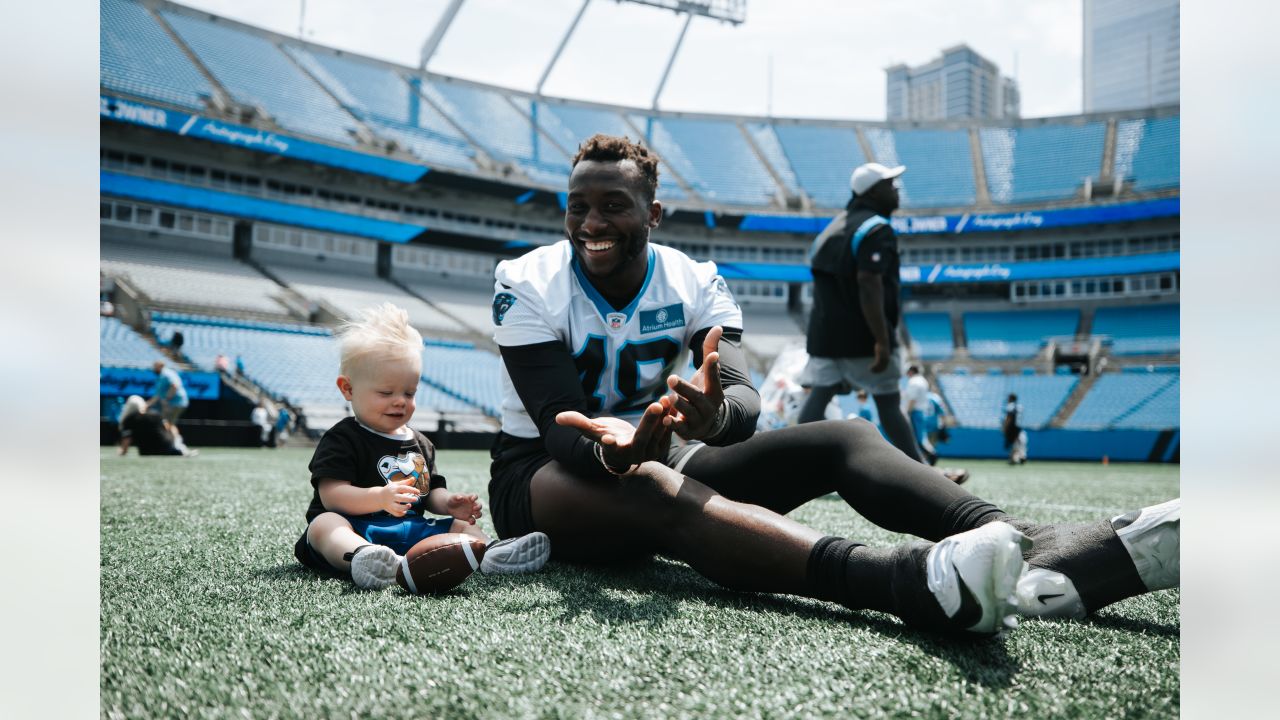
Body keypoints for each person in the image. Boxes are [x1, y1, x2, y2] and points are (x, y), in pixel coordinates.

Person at [487, 134, 1180, 637]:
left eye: (613, 205)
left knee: (844, 436)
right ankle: (906, 583)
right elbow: (557, 422)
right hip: (543, 478)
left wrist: (713, 416)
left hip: (668, 455)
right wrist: (616, 452)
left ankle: (1026, 543)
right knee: (652, 485)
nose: (591, 224)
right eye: (577, 206)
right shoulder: (526, 282)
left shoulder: (696, 280)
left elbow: (744, 401)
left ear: (654, 214)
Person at [293, 303, 552, 590]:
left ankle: (489, 552)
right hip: (358, 528)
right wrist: (379, 497)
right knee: (324, 525)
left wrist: (449, 503)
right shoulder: (343, 438)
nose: (400, 401)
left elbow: (429, 494)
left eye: (410, 392)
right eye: (386, 392)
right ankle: (363, 557)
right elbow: (331, 495)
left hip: (410, 532)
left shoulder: (420, 443)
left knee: (459, 526)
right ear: (348, 389)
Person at [794, 163, 967, 484]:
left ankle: (784, 465)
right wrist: (882, 339)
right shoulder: (876, 229)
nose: (897, 189)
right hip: (864, 338)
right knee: (888, 402)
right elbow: (870, 284)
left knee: (818, 398)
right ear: (873, 192)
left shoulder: (831, 229)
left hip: (824, 337)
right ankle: (924, 476)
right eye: (890, 184)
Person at [117, 395, 196, 457]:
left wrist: (123, 452)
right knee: (172, 427)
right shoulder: (155, 414)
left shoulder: (128, 420)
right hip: (167, 448)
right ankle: (181, 448)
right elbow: (169, 428)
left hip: (147, 452)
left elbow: (127, 440)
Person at [901, 365, 936, 465]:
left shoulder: (914, 382)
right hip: (921, 412)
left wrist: (907, 412)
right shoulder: (922, 380)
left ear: (911, 371)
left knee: (917, 439)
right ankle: (929, 456)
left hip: (915, 412)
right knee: (921, 437)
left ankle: (930, 456)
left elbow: (912, 399)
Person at [146, 360, 189, 438]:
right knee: (168, 423)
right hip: (175, 403)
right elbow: (157, 396)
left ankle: (176, 445)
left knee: (168, 423)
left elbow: (175, 386)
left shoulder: (166, 374)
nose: (153, 369)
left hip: (176, 402)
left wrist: (167, 399)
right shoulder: (162, 375)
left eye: (155, 366)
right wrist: (146, 405)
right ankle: (174, 444)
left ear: (160, 366)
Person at [1003, 393, 1028, 465]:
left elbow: (1009, 418)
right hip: (1019, 428)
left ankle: (1015, 458)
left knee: (1015, 444)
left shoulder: (1010, 406)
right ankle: (1021, 456)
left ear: (1011, 398)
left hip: (1012, 428)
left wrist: (1005, 427)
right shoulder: (1020, 406)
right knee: (1020, 443)